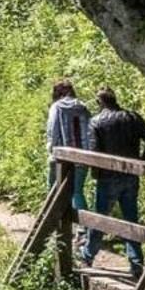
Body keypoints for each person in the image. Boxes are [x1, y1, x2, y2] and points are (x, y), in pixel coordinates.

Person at [84, 88, 145, 270]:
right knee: (131, 218)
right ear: (115, 100)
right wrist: (142, 162)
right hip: (131, 175)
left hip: (107, 177)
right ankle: (136, 263)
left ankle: (87, 256)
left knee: (100, 219)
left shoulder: (95, 122)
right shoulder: (132, 117)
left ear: (99, 102)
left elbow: (94, 153)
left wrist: (96, 174)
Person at [45, 78, 91, 212]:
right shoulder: (83, 107)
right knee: (77, 192)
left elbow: (52, 131)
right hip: (82, 156)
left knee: (54, 189)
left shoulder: (57, 107)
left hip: (61, 158)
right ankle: (84, 230)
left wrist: (51, 149)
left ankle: (53, 224)